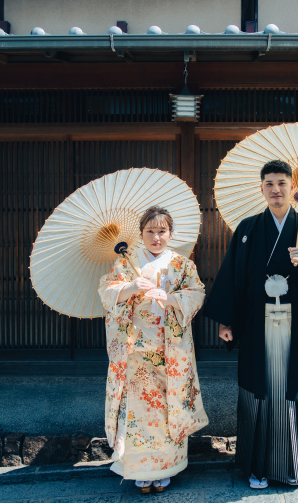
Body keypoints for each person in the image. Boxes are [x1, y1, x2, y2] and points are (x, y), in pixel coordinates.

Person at [202, 159, 298, 489]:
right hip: (256, 324)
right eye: (269, 184)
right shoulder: (248, 229)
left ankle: (294, 465)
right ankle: (259, 468)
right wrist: (227, 319)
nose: (276, 189)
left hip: (295, 327)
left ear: (292, 187)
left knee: (290, 390)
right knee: (260, 391)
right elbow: (233, 276)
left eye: (282, 183)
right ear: (262, 188)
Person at [98, 206, 208, 494]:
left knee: (167, 411)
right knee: (137, 412)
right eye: (150, 231)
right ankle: (139, 470)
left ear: (170, 233)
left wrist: (171, 298)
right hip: (136, 352)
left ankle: (166, 468)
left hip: (170, 351)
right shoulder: (126, 262)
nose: (156, 237)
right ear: (141, 234)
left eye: (162, 231)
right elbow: (107, 293)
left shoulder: (183, 265)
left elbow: (197, 293)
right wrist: (131, 286)